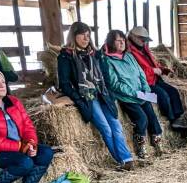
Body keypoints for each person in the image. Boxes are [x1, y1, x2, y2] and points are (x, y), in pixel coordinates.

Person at [57, 21, 134, 171]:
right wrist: (78, 99)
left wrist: (108, 92)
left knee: (116, 125)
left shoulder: (94, 53)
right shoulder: (65, 56)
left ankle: (127, 159)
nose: (86, 39)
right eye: (83, 35)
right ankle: (121, 160)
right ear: (74, 36)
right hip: (87, 96)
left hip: (102, 93)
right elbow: (64, 83)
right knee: (105, 128)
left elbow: (103, 75)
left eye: (88, 35)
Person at [101, 30, 163, 160]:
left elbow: (141, 73)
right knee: (141, 119)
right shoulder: (108, 60)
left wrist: (146, 89)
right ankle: (140, 146)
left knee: (152, 115)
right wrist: (134, 93)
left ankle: (157, 142)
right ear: (111, 42)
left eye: (123, 40)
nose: (122, 42)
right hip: (127, 97)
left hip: (141, 94)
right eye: (119, 40)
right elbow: (114, 84)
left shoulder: (129, 56)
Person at [126, 26, 187, 131]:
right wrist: (153, 71)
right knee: (163, 96)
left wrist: (163, 69)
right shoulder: (129, 53)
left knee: (173, 91)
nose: (144, 42)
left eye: (145, 40)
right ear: (134, 38)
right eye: (143, 40)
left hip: (154, 79)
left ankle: (179, 117)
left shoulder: (144, 49)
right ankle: (172, 120)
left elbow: (152, 65)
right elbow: (136, 73)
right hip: (144, 84)